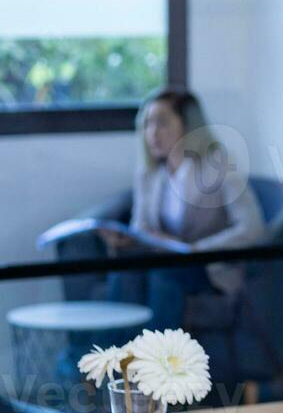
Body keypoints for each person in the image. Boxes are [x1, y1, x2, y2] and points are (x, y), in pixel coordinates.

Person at [104, 88, 264, 332]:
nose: (152, 133)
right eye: (147, 124)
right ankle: (105, 362)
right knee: (123, 275)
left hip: (207, 268)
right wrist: (131, 239)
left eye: (162, 123)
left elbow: (251, 228)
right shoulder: (149, 174)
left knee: (163, 277)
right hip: (163, 260)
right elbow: (142, 226)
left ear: (188, 126)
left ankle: (156, 366)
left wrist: (194, 250)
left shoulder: (219, 166)